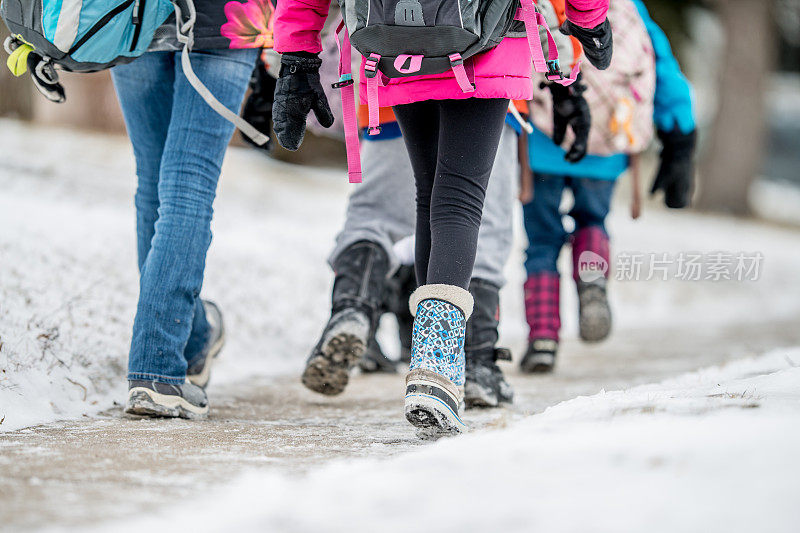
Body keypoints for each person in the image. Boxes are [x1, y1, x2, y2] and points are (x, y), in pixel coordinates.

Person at [272, 0, 612, 433]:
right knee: (459, 199)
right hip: (489, 37)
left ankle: (419, 352)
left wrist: (297, 52)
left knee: (429, 195)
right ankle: (437, 365)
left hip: (397, 39)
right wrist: (589, 20)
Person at [115, 0, 274, 419]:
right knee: (188, 184)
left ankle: (193, 339)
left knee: (154, 182)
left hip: (132, 16)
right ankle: (158, 370)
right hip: (226, 15)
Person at [519, 0, 697, 373]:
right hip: (607, 144)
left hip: (543, 141)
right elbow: (662, 68)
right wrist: (679, 133)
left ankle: (543, 338)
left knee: (542, 241)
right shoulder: (629, 7)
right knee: (592, 220)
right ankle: (592, 275)